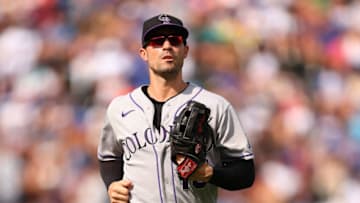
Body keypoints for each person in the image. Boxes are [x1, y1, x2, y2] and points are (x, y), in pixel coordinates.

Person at [97, 13, 255, 203]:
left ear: (185, 51)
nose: (167, 46)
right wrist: (113, 184)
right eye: (157, 41)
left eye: (175, 40)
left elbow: (245, 172)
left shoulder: (214, 105)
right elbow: (109, 156)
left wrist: (210, 173)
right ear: (143, 53)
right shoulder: (120, 108)